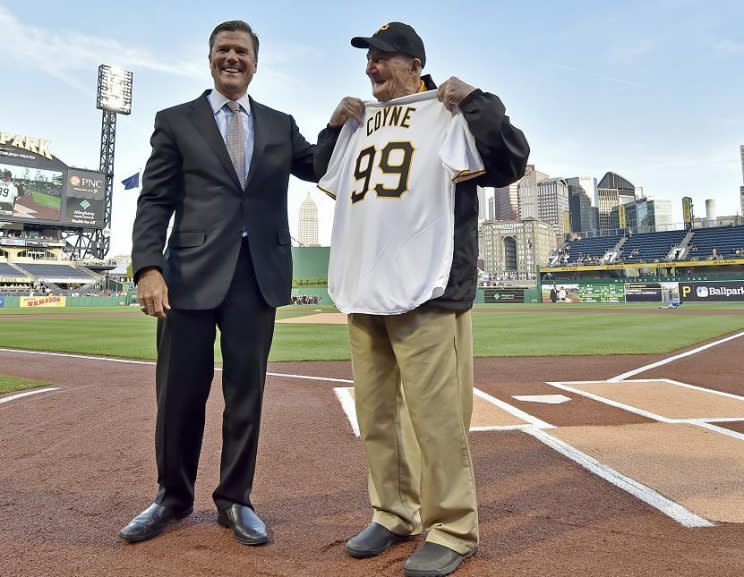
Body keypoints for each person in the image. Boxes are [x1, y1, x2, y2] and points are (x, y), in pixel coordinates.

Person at [315, 22, 529, 577]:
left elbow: (510, 161)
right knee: (377, 415)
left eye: (382, 59)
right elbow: (324, 173)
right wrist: (333, 127)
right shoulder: (361, 122)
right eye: (369, 60)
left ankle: (454, 527)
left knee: (437, 417)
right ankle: (392, 513)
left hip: (427, 288)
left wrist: (475, 101)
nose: (371, 68)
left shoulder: (450, 112)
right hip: (366, 285)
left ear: (413, 64)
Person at [122, 20, 321, 545]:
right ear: (210, 57)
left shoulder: (280, 124)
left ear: (257, 61)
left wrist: (351, 122)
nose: (232, 58)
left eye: (242, 51)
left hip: (257, 277)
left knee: (246, 395)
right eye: (223, 50)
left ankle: (235, 500)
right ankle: (171, 497)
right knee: (179, 395)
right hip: (187, 276)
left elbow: (323, 165)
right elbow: (155, 200)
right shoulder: (176, 121)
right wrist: (148, 267)